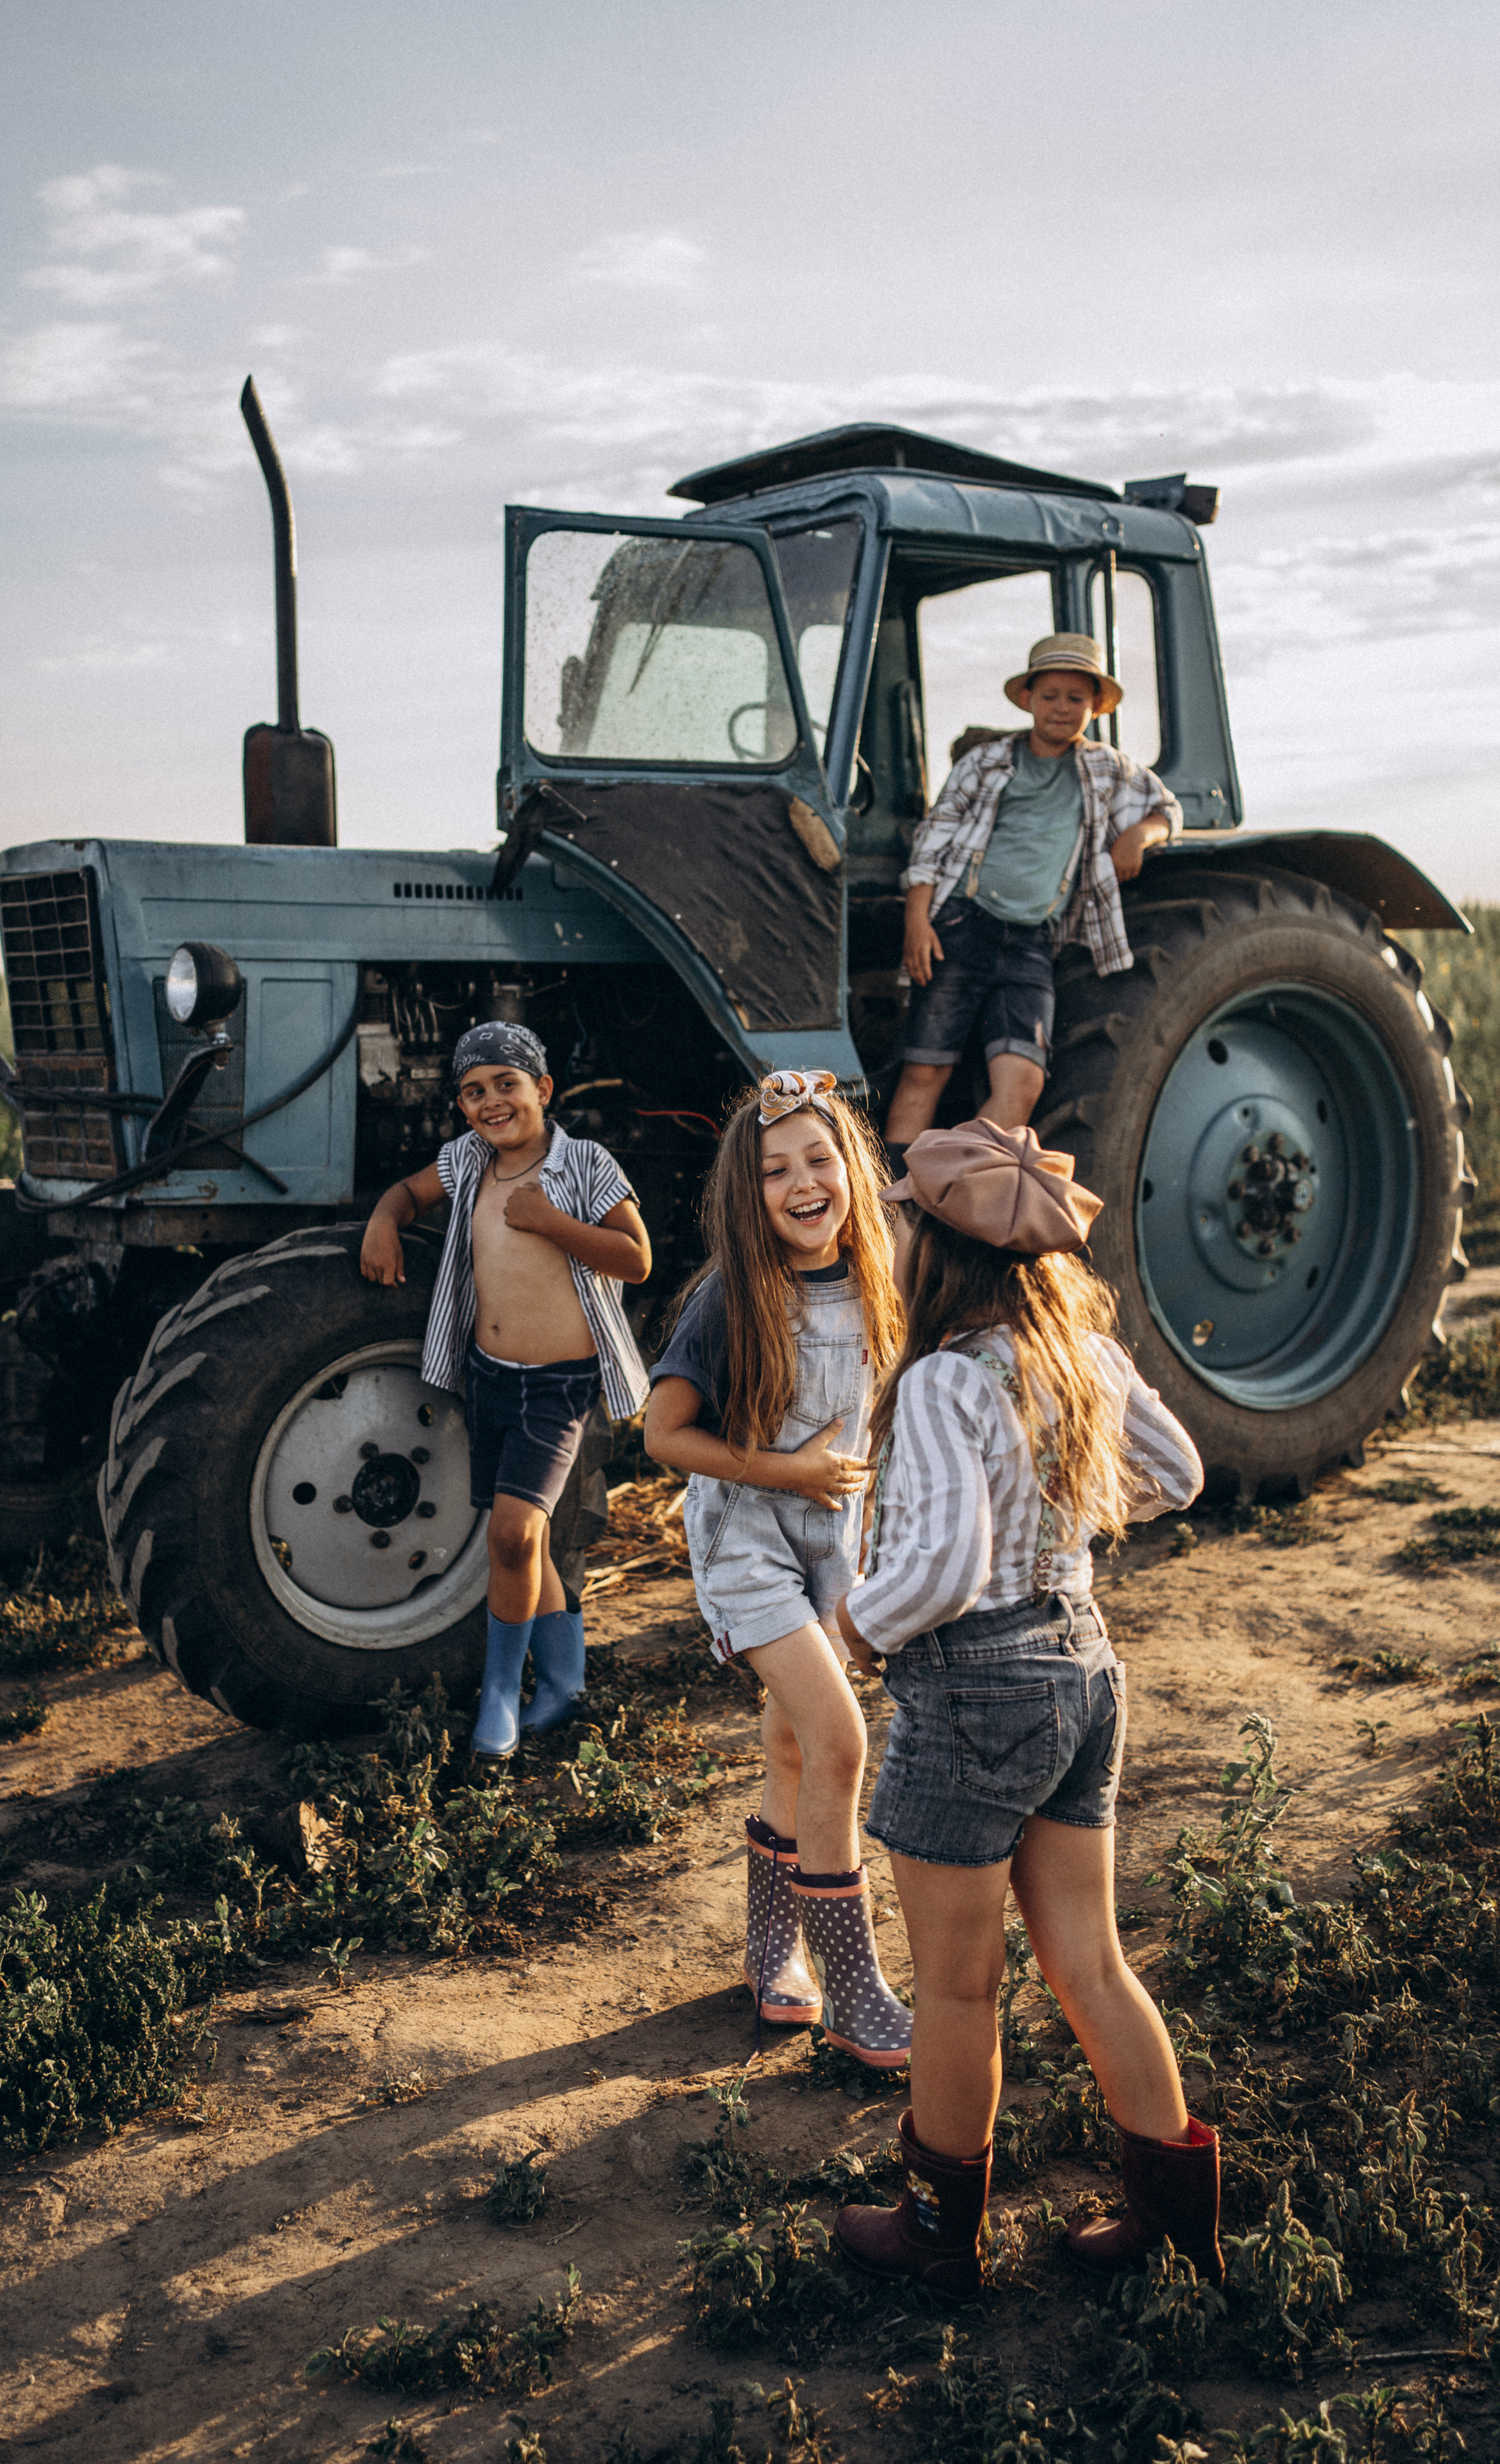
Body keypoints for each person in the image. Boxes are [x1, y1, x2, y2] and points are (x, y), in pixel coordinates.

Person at [829, 1120, 1214, 2298]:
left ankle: (941, 2236)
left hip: (977, 1683)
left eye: (902, 1219)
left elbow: (942, 1567)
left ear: (943, 1249)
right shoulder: (1079, 1358)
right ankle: (1178, 2222)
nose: (887, 1235)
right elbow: (1179, 1473)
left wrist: (856, 1622)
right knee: (1089, 1959)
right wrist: (1075, 1508)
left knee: (955, 1986)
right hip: (1084, 1661)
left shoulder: (946, 1379)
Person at [643, 1069, 911, 2065]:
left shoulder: (888, 1277)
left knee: (793, 1747)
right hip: (747, 1533)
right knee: (838, 1739)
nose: (802, 1183)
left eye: (818, 1158)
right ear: (745, 1193)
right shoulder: (729, 1297)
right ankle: (857, 1991)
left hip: (836, 1536)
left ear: (851, 1167)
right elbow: (664, 1433)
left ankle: (772, 1949)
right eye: (774, 1170)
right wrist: (786, 1472)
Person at [360, 1022, 651, 1760]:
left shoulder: (583, 1164)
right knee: (527, 1541)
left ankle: (500, 1692)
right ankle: (564, 1680)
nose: (490, 1102)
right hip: (491, 1379)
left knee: (512, 1537)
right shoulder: (465, 1162)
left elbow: (636, 1259)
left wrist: (552, 1223)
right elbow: (405, 1192)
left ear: (543, 1090)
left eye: (505, 1084)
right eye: (472, 1091)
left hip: (558, 1389)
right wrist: (383, 1222)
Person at [883, 634, 1182, 1156]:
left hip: (1032, 944)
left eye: (1076, 698)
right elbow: (934, 841)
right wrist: (918, 920)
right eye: (1050, 696)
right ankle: (892, 1212)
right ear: (1027, 700)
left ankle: (949, 1192)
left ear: (1095, 707)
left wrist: (1139, 836)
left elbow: (1168, 809)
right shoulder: (987, 763)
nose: (1062, 708)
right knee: (926, 1070)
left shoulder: (1107, 768)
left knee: (1022, 1086)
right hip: (961, 925)